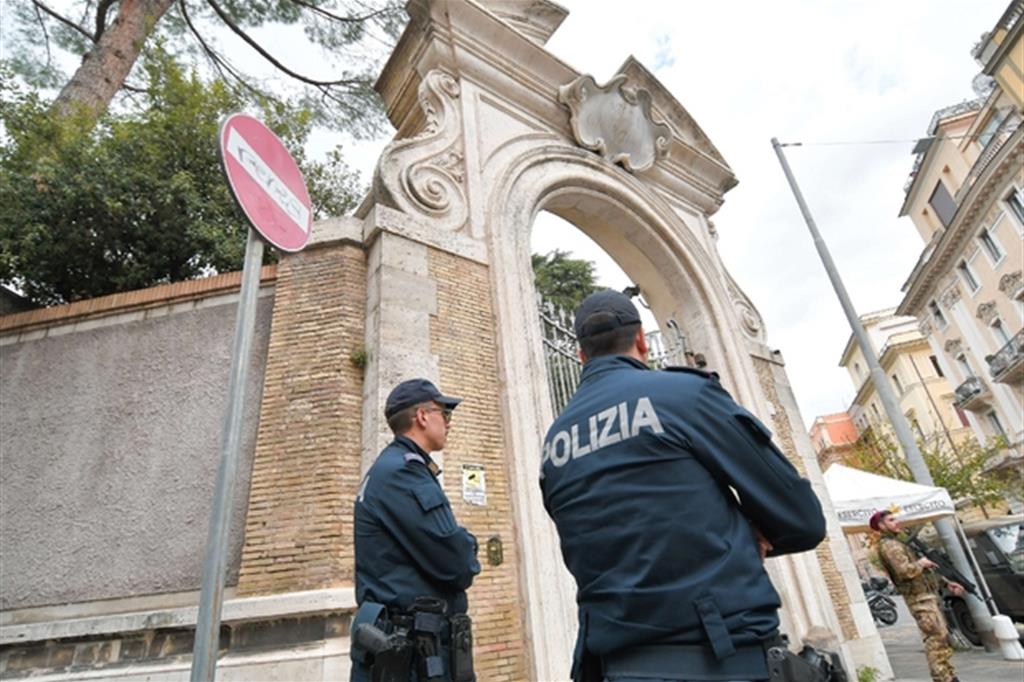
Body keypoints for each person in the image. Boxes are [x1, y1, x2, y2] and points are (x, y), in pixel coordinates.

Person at [540, 290, 827, 682]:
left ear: (581, 355)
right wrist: (746, 534)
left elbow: (609, 535)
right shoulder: (684, 395)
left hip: (616, 667)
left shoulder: (555, 441)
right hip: (720, 659)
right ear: (642, 339)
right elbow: (804, 519)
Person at [351, 378, 480, 682]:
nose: (449, 423)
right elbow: (459, 564)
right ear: (422, 416)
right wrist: (469, 545)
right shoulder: (405, 473)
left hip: (408, 650)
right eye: (444, 414)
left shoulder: (391, 468)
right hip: (412, 657)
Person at [871, 509, 963, 682]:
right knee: (935, 640)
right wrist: (920, 563)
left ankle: (948, 675)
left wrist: (945, 582)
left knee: (941, 637)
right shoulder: (890, 546)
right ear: (881, 526)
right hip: (919, 599)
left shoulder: (897, 543)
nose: (896, 522)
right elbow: (904, 572)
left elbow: (923, 573)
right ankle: (943, 678)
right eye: (891, 520)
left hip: (926, 596)